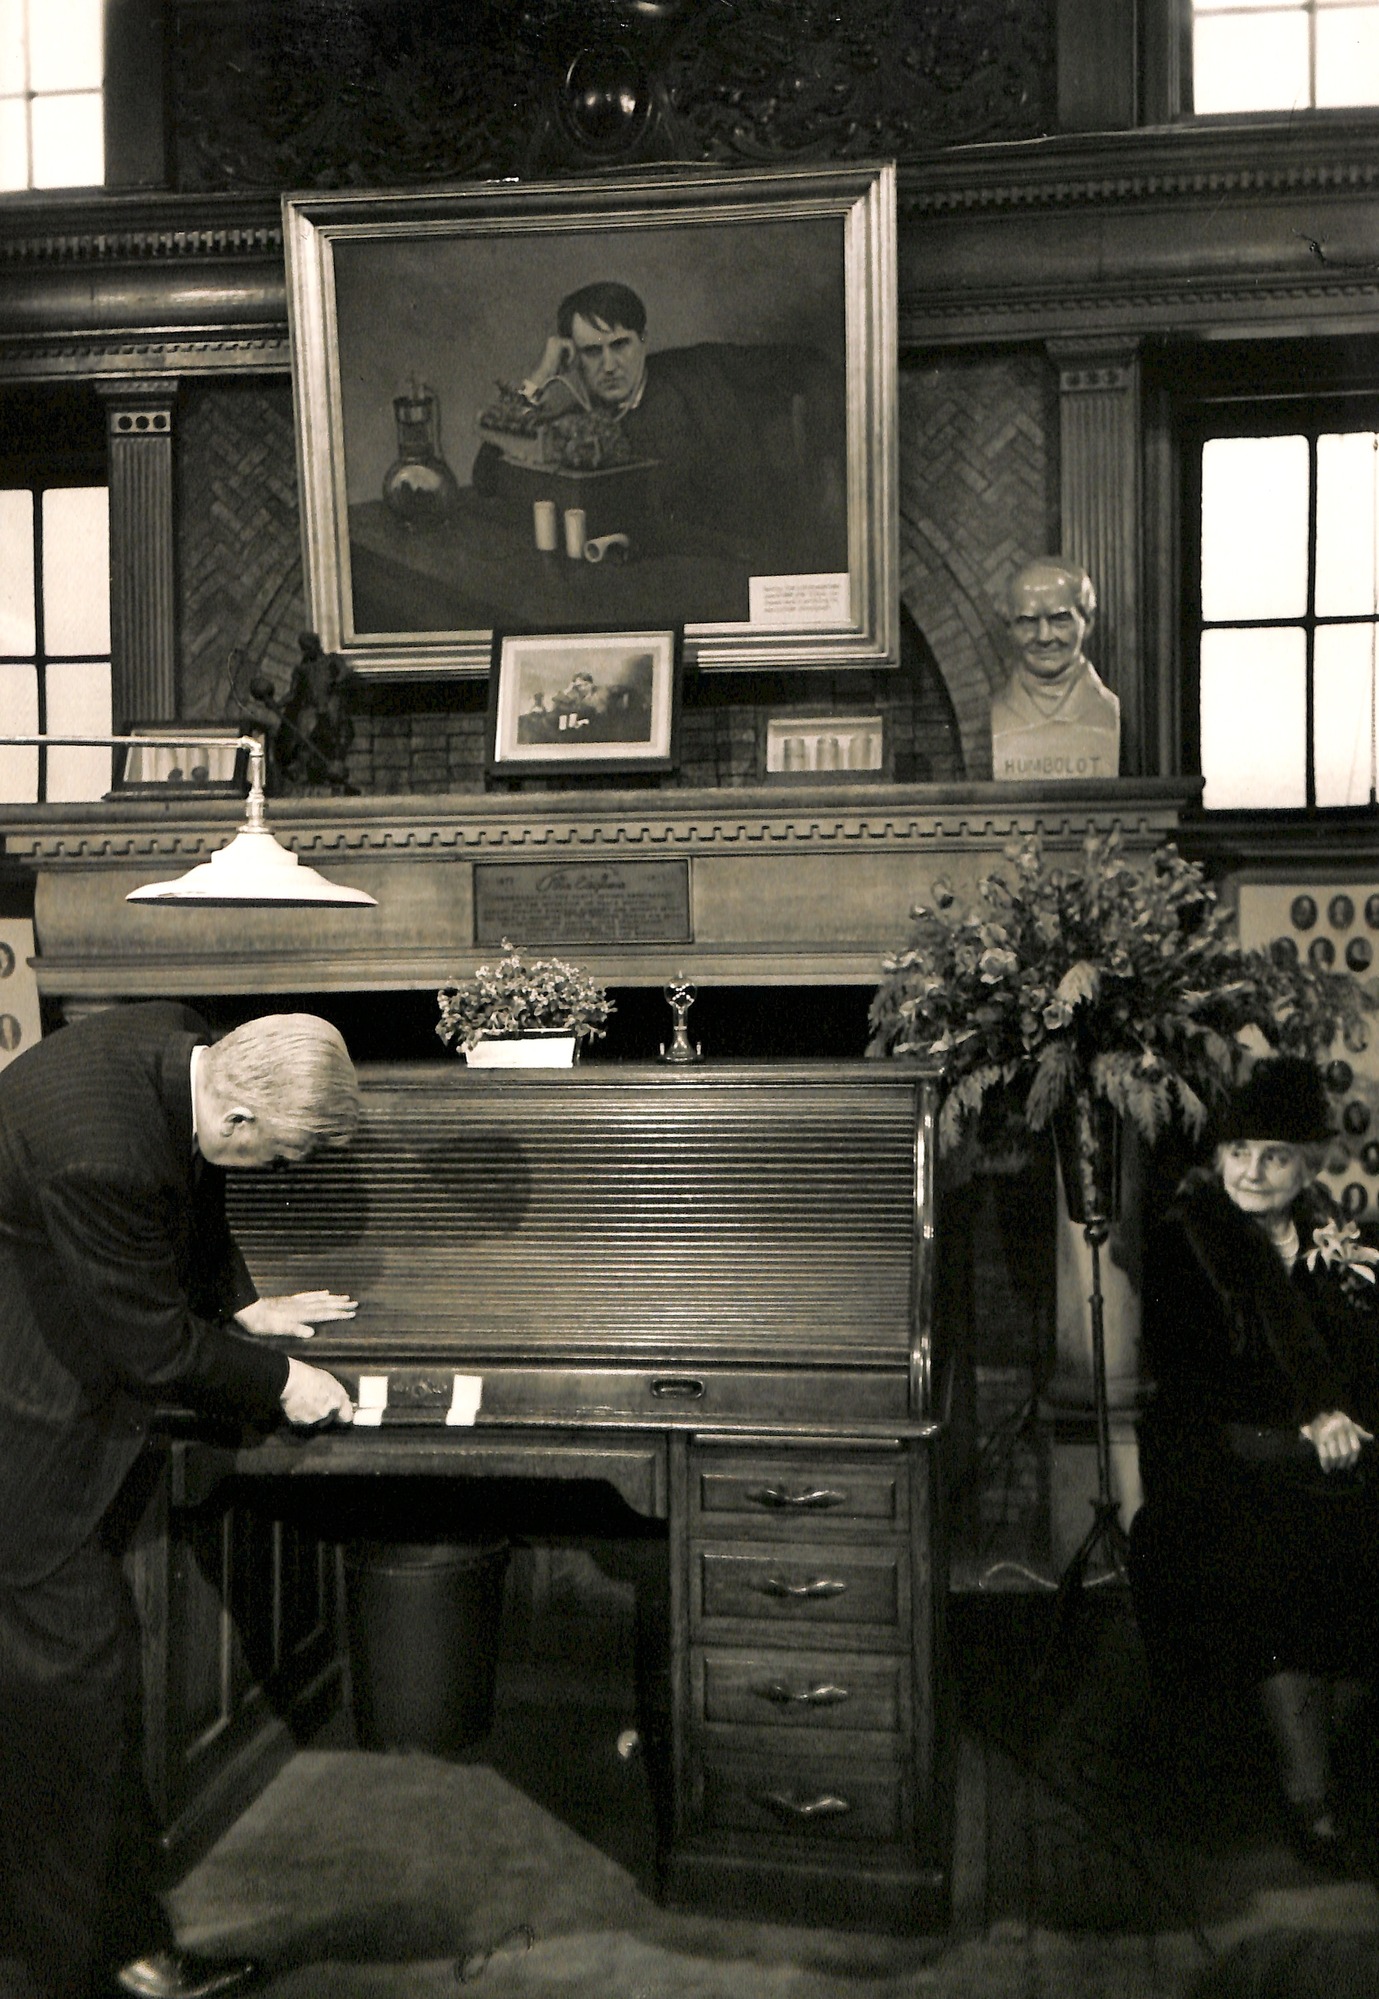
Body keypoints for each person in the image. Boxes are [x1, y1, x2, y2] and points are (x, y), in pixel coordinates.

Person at [0, 1003, 361, 1999]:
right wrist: (278, 1376)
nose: (277, 1173)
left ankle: (99, 1938)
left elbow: (193, 1189)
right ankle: (94, 1968)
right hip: (23, 1437)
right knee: (77, 1701)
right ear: (241, 1117)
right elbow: (150, 1346)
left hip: (53, 1344)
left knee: (59, 1703)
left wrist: (239, 1304)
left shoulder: (188, 1050)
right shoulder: (97, 1155)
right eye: (279, 1156)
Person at [1128, 1055, 1379, 1863]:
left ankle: (1314, 1743)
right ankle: (1310, 1795)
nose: (1251, 1169)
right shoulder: (1184, 1243)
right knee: (1272, 1552)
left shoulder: (1335, 1242)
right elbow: (1194, 1385)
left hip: (1316, 1453)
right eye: (1237, 1151)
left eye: (1274, 1154)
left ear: (1307, 1162)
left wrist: (1344, 1418)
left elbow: (1365, 1363)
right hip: (1213, 1454)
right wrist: (1301, 1433)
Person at [477, 279, 847, 572]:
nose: (609, 366)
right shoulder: (578, 423)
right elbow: (486, 474)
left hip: (759, 560)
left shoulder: (701, 367)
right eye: (592, 351)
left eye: (620, 345)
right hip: (668, 579)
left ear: (644, 341)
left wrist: (827, 462)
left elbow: (810, 363)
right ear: (572, 358)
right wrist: (541, 375)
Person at [991, 558, 1120, 781]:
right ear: (1009, 629)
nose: (1044, 637)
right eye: (1028, 622)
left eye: (1060, 620)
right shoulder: (1000, 709)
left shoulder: (1104, 708)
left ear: (1087, 623)